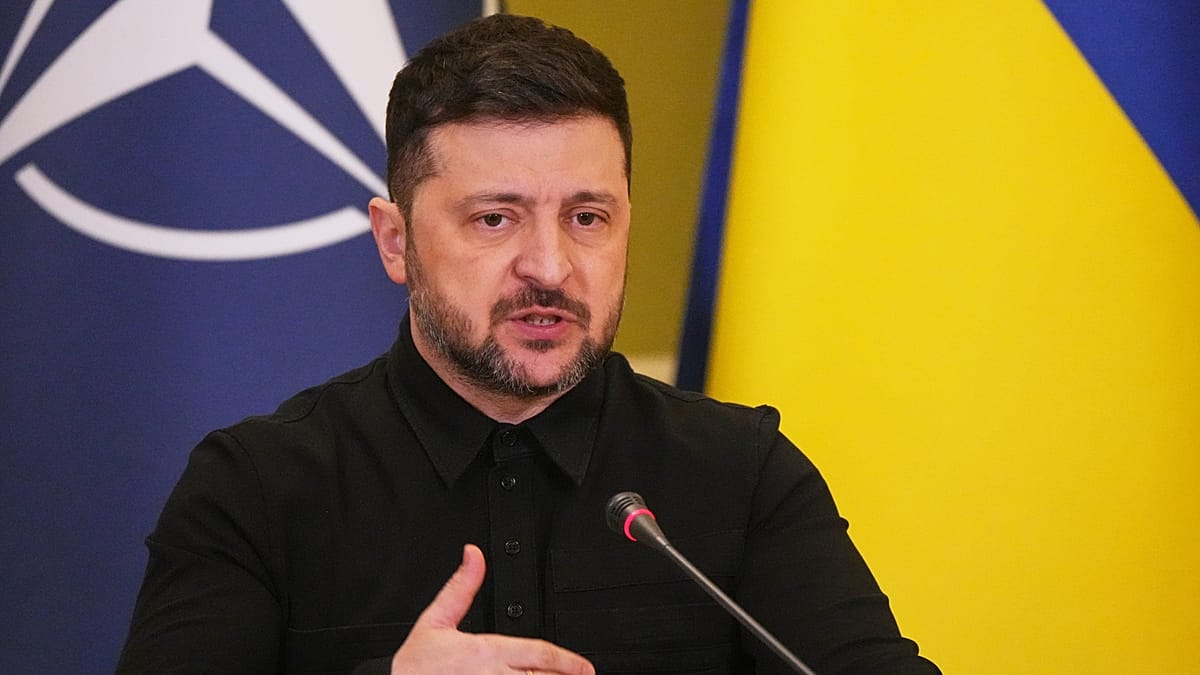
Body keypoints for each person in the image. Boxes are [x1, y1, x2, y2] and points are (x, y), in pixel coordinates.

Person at [117, 13, 940, 675]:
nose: (549, 266)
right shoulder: (257, 489)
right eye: (494, 218)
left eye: (587, 217)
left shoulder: (742, 475)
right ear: (396, 241)